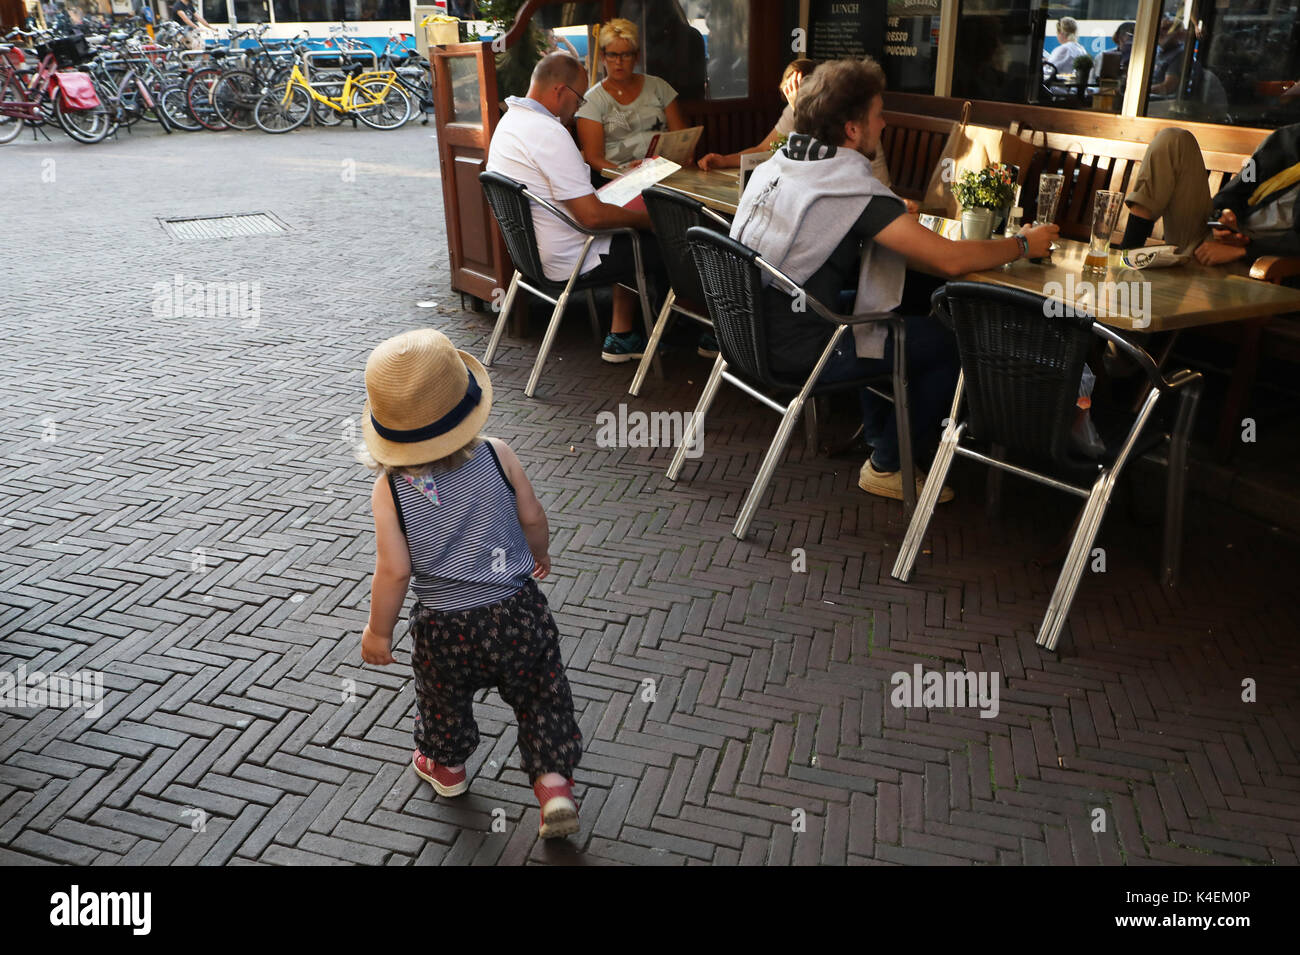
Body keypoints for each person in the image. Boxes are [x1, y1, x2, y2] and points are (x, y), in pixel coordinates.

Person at [730, 58, 1057, 502]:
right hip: (798, 350)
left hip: (747, 330)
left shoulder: (782, 163)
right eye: (879, 115)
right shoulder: (845, 185)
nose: (884, 124)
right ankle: (890, 462)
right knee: (953, 341)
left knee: (881, 312)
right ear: (851, 130)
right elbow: (949, 260)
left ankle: (880, 438)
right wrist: (1023, 244)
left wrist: (886, 216)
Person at [358, 328, 583, 839]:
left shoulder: (389, 489)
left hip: (444, 628)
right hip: (517, 609)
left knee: (441, 699)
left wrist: (378, 631)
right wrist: (539, 552)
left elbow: (393, 570)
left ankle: (447, 767)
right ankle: (553, 787)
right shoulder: (497, 453)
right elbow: (532, 515)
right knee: (542, 697)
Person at [485, 52, 672, 363]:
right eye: (579, 98)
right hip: (572, 258)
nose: (578, 107)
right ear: (560, 91)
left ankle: (624, 334)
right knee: (671, 244)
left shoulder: (510, 122)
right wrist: (647, 221)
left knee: (631, 227)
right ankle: (692, 335)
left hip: (531, 254)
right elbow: (592, 216)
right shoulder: (549, 131)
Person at [698, 58, 907, 207]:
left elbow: (825, 160)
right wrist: (724, 160)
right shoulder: (797, 115)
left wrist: (801, 111)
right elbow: (764, 149)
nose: (883, 123)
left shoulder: (855, 126)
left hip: (876, 197)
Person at [1115, 123, 1300, 268]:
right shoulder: (1283, 141)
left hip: (1262, 263)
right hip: (1215, 239)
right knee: (1173, 139)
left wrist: (1245, 250)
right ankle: (1127, 256)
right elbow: (1231, 193)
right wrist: (1220, 222)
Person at [576, 18, 689, 176]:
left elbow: (682, 140)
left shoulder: (659, 87)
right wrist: (625, 173)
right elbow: (593, 157)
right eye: (612, 55)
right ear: (602, 57)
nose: (619, 62)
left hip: (665, 173)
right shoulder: (592, 101)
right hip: (620, 179)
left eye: (626, 55)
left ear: (637, 57)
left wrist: (677, 161)